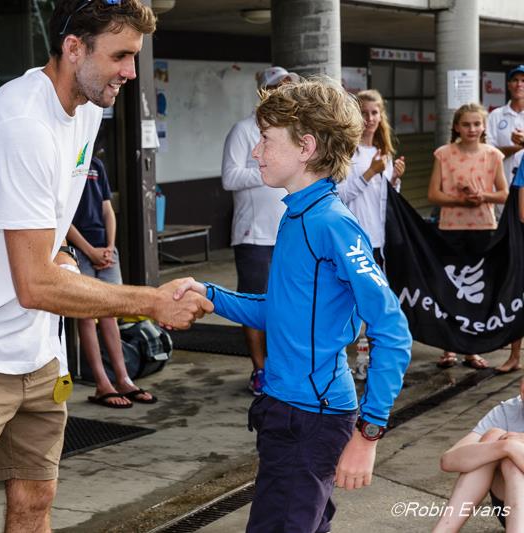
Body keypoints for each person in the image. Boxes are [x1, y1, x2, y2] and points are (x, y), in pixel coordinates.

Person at [0, 2, 211, 531]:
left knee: (35, 502)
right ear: (73, 48)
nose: (131, 72)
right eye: (120, 55)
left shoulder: (88, 108)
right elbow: (34, 284)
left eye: (134, 57)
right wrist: (153, 301)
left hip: (36, 352)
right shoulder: (21, 122)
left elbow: (47, 226)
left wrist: (64, 252)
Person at [173, 79, 412, 533]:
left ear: (305, 146)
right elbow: (281, 313)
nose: (256, 152)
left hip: (312, 417)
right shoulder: (297, 212)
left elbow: (392, 330)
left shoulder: (331, 223)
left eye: (266, 139)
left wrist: (370, 432)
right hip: (286, 410)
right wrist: (210, 295)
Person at [220, 67, 292, 395]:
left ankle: (280, 368)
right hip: (253, 235)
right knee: (253, 303)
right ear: (265, 91)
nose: (285, 92)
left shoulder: (289, 131)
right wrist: (265, 171)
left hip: (286, 232)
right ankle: (259, 370)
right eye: (279, 87)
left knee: (284, 304)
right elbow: (230, 178)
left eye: (289, 88)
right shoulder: (244, 130)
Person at [67, 155, 156, 407]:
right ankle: (101, 383)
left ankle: (123, 378)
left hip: (105, 249)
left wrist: (109, 246)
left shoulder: (96, 164)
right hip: (78, 249)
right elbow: (60, 215)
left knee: (111, 313)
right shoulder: (65, 160)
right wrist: (88, 250)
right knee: (85, 316)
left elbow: (107, 208)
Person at [428, 102, 508, 370]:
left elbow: (503, 193)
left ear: (484, 126)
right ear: (456, 127)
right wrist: (461, 201)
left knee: (478, 290)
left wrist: (482, 196)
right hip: (451, 228)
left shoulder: (493, 155)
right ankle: (449, 347)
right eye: (466, 124)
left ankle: (472, 349)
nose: (472, 129)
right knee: (449, 287)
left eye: (477, 124)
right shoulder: (443, 154)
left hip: (484, 228)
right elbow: (433, 195)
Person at [432, 377, 524, 532]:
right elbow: (448, 461)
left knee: (512, 463)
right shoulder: (509, 410)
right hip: (512, 509)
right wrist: (506, 446)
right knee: (492, 439)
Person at [337, 89, 405, 267]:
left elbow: (387, 198)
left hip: (381, 237)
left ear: (381, 116)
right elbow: (340, 195)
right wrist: (370, 173)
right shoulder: (348, 153)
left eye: (374, 112)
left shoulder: (383, 153)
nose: (370, 118)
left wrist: (395, 180)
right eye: (364, 113)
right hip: (355, 236)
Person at [487, 65, 524, 374]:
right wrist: (515, 146)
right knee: (510, 276)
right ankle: (508, 341)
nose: (519, 84)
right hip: (505, 205)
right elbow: (489, 151)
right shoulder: (497, 115)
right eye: (515, 79)